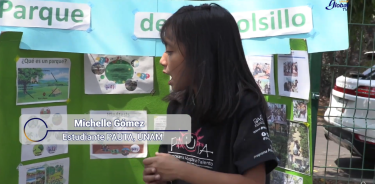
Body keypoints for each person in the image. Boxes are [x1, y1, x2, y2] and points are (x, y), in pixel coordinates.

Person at [142, 4, 278, 184]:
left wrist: (182, 171)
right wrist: (159, 175)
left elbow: (254, 181)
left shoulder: (244, 105)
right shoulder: (178, 106)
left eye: (170, 51)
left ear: (202, 55)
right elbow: (169, 167)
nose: (162, 60)